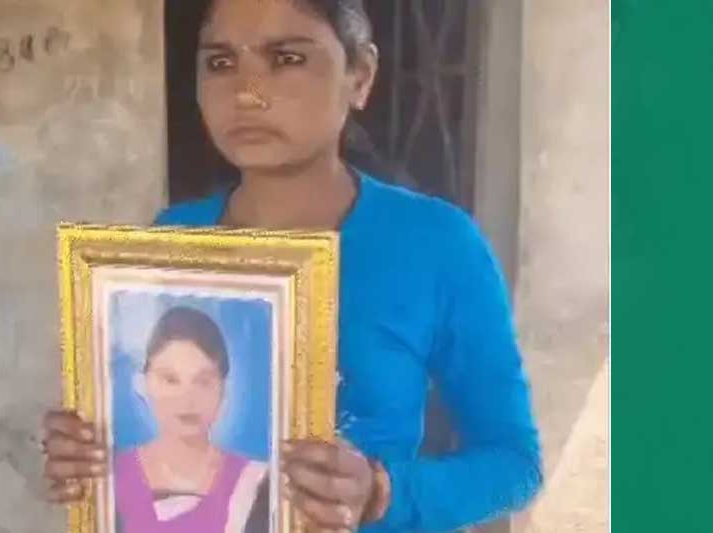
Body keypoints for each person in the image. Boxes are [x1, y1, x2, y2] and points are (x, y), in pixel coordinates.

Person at [43, 1, 543, 531]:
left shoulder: (435, 244)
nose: (247, 93)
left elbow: (515, 463)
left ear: (360, 76)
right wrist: (89, 453)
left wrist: (382, 491)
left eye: (286, 58)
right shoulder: (174, 239)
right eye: (220, 63)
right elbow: (139, 444)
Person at [112, 306, 269, 532]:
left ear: (223, 390)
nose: (187, 399)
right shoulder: (112, 475)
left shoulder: (256, 484)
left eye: (203, 381)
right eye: (170, 380)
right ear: (144, 384)